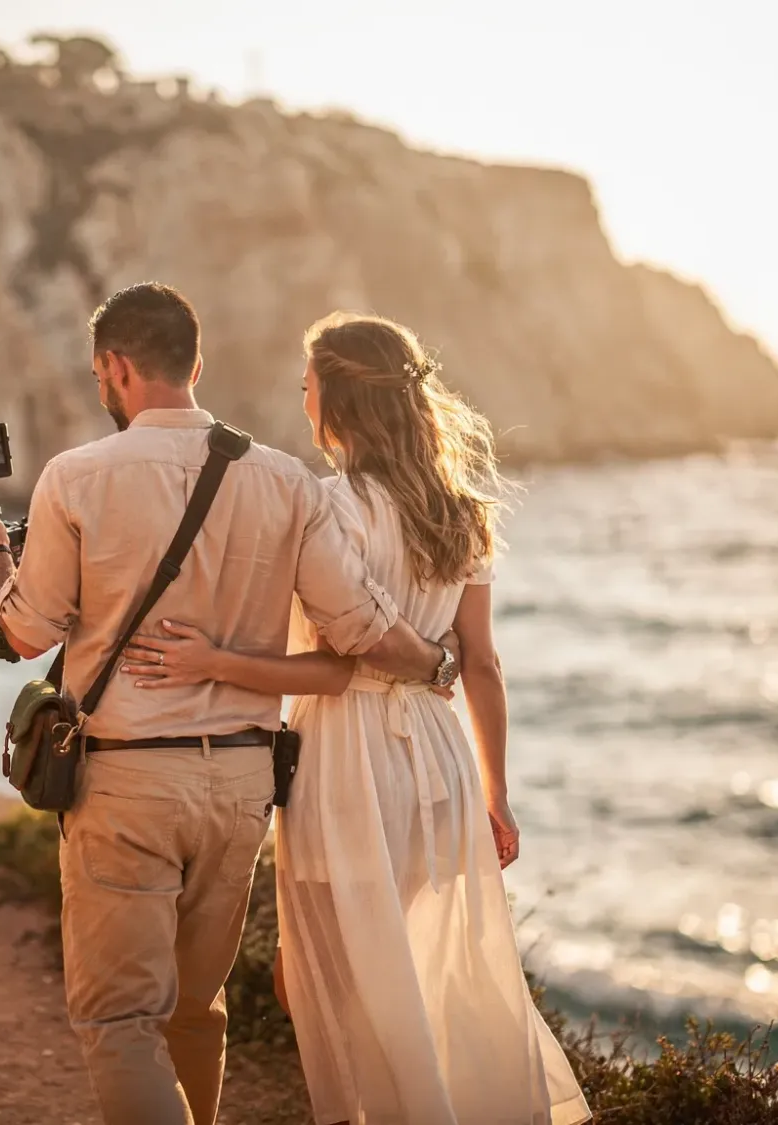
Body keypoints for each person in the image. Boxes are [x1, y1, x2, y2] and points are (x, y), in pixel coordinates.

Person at [0, 284, 457, 1125]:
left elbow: (27, 634)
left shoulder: (76, 476)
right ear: (196, 363)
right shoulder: (284, 479)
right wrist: (437, 662)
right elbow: (361, 625)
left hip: (126, 783)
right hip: (240, 788)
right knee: (198, 1007)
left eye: (99, 373)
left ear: (116, 367)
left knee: (121, 1019)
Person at [120, 312, 591, 1125]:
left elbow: (335, 668)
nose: (302, 402)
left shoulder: (325, 506)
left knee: (329, 978)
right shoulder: (462, 510)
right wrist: (497, 792)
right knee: (414, 965)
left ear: (336, 401)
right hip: (440, 758)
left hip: (345, 757)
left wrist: (212, 662)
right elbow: (482, 662)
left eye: (307, 388)